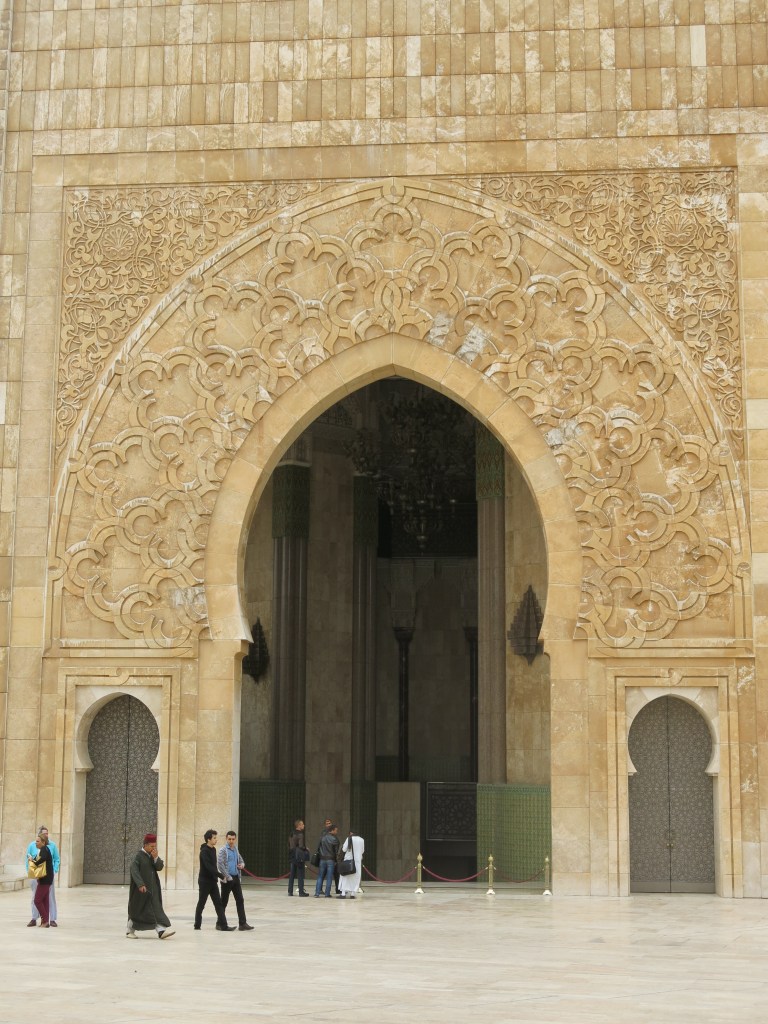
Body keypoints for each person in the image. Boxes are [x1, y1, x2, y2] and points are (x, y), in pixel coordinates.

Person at [126, 833, 174, 939]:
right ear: (145, 845)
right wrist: (140, 884)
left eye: (155, 846)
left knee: (155, 909)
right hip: (141, 890)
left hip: (152, 890)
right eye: (152, 846)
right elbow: (134, 871)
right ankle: (129, 931)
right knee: (137, 910)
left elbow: (159, 867)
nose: (153, 848)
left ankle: (161, 931)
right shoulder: (138, 856)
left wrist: (156, 857)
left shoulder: (152, 855)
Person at [195, 829, 235, 931]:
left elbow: (214, 866)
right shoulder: (204, 852)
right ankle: (197, 925)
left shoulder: (213, 850)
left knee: (218, 904)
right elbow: (209, 867)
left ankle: (224, 925)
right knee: (201, 903)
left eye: (216, 838)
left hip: (213, 881)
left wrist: (218, 876)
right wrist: (221, 875)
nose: (216, 840)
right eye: (214, 838)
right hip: (204, 882)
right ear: (209, 839)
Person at [217, 830, 254, 930]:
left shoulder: (236, 849)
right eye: (229, 839)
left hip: (236, 877)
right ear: (226, 838)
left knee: (240, 900)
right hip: (227, 879)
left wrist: (242, 865)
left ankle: (242, 923)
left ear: (235, 839)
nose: (231, 841)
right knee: (224, 901)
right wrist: (228, 877)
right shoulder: (223, 850)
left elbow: (241, 860)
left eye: (233, 839)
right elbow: (220, 865)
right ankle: (219, 923)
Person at [26, 826, 60, 927]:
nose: (36, 842)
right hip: (39, 877)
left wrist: (34, 862)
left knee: (39, 899)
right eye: (44, 833)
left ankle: (47, 920)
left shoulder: (46, 848)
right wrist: (32, 870)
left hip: (45, 878)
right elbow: (31, 858)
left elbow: (44, 859)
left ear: (43, 841)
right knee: (42, 899)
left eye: (38, 841)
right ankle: (40, 920)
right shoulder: (38, 847)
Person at [338, 831, 365, 899]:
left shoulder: (349, 838)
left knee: (345, 877)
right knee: (355, 877)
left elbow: (344, 849)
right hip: (357, 862)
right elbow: (362, 851)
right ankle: (352, 894)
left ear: (351, 833)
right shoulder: (362, 840)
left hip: (348, 860)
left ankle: (343, 894)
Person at [314, 823, 339, 898]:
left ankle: (317, 893)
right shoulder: (335, 839)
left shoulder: (322, 838)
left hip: (322, 859)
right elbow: (336, 852)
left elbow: (318, 848)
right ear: (332, 830)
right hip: (330, 860)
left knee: (320, 876)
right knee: (329, 877)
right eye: (336, 830)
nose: (336, 832)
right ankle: (327, 893)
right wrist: (336, 860)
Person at [287, 819, 310, 897]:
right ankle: (301, 892)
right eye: (302, 824)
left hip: (292, 855)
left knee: (292, 875)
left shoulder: (291, 833)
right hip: (299, 856)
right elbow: (301, 846)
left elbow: (290, 845)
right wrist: (305, 848)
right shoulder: (300, 834)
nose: (304, 825)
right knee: (300, 874)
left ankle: (290, 892)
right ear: (299, 825)